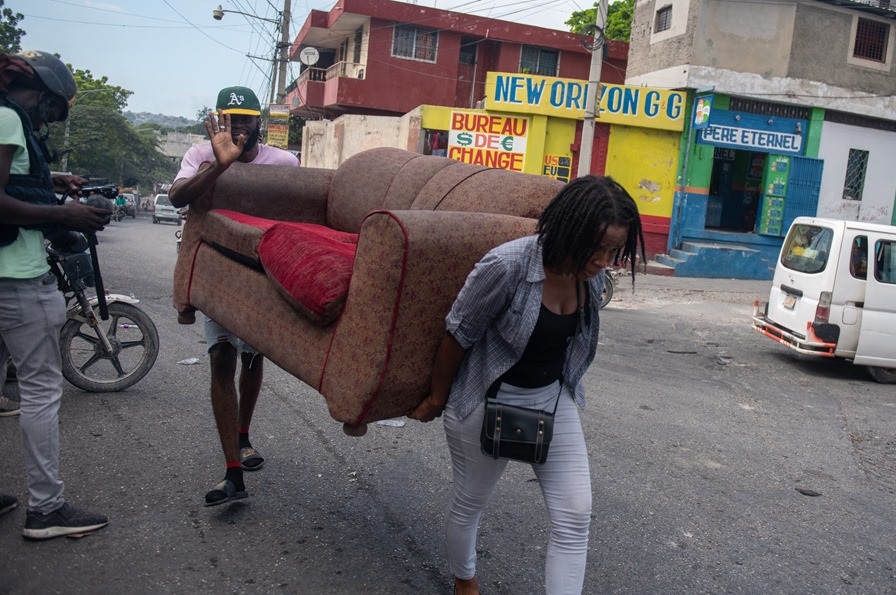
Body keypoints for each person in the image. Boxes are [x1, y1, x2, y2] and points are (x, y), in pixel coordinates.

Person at [410, 176, 645, 595]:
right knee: (470, 503)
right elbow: (458, 335)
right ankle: (465, 583)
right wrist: (436, 397)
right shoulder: (507, 265)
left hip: (553, 398)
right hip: (485, 399)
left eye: (615, 250)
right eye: (599, 247)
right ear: (569, 230)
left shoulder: (588, 278)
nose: (605, 261)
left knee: (575, 516)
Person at [169, 86, 299, 507]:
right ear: (218, 121)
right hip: (216, 270)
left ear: (260, 121)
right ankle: (232, 471)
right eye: (232, 119)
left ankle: (244, 436)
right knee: (221, 358)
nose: (241, 127)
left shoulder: (284, 161)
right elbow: (178, 198)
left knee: (253, 357)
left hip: (261, 273)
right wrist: (219, 165)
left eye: (247, 119)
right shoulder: (199, 155)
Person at [0, 50, 111, 538]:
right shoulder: (6, 117)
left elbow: (13, 182)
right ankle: (46, 509)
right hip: (17, 278)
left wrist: (52, 183)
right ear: (42, 96)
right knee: (42, 391)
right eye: (54, 109)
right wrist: (64, 215)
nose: (50, 119)